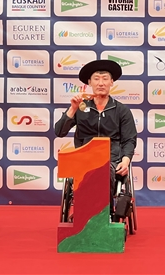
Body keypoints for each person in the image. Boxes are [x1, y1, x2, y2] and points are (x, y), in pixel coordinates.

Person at [54, 59, 137, 216]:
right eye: (96, 79)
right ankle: (85, 213)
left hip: (111, 160)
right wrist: (72, 109)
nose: (101, 83)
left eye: (105, 79)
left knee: (103, 171)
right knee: (87, 171)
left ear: (111, 82)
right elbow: (59, 132)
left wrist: (125, 161)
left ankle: (101, 215)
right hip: (83, 159)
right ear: (89, 82)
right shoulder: (80, 107)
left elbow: (129, 140)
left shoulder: (122, 110)